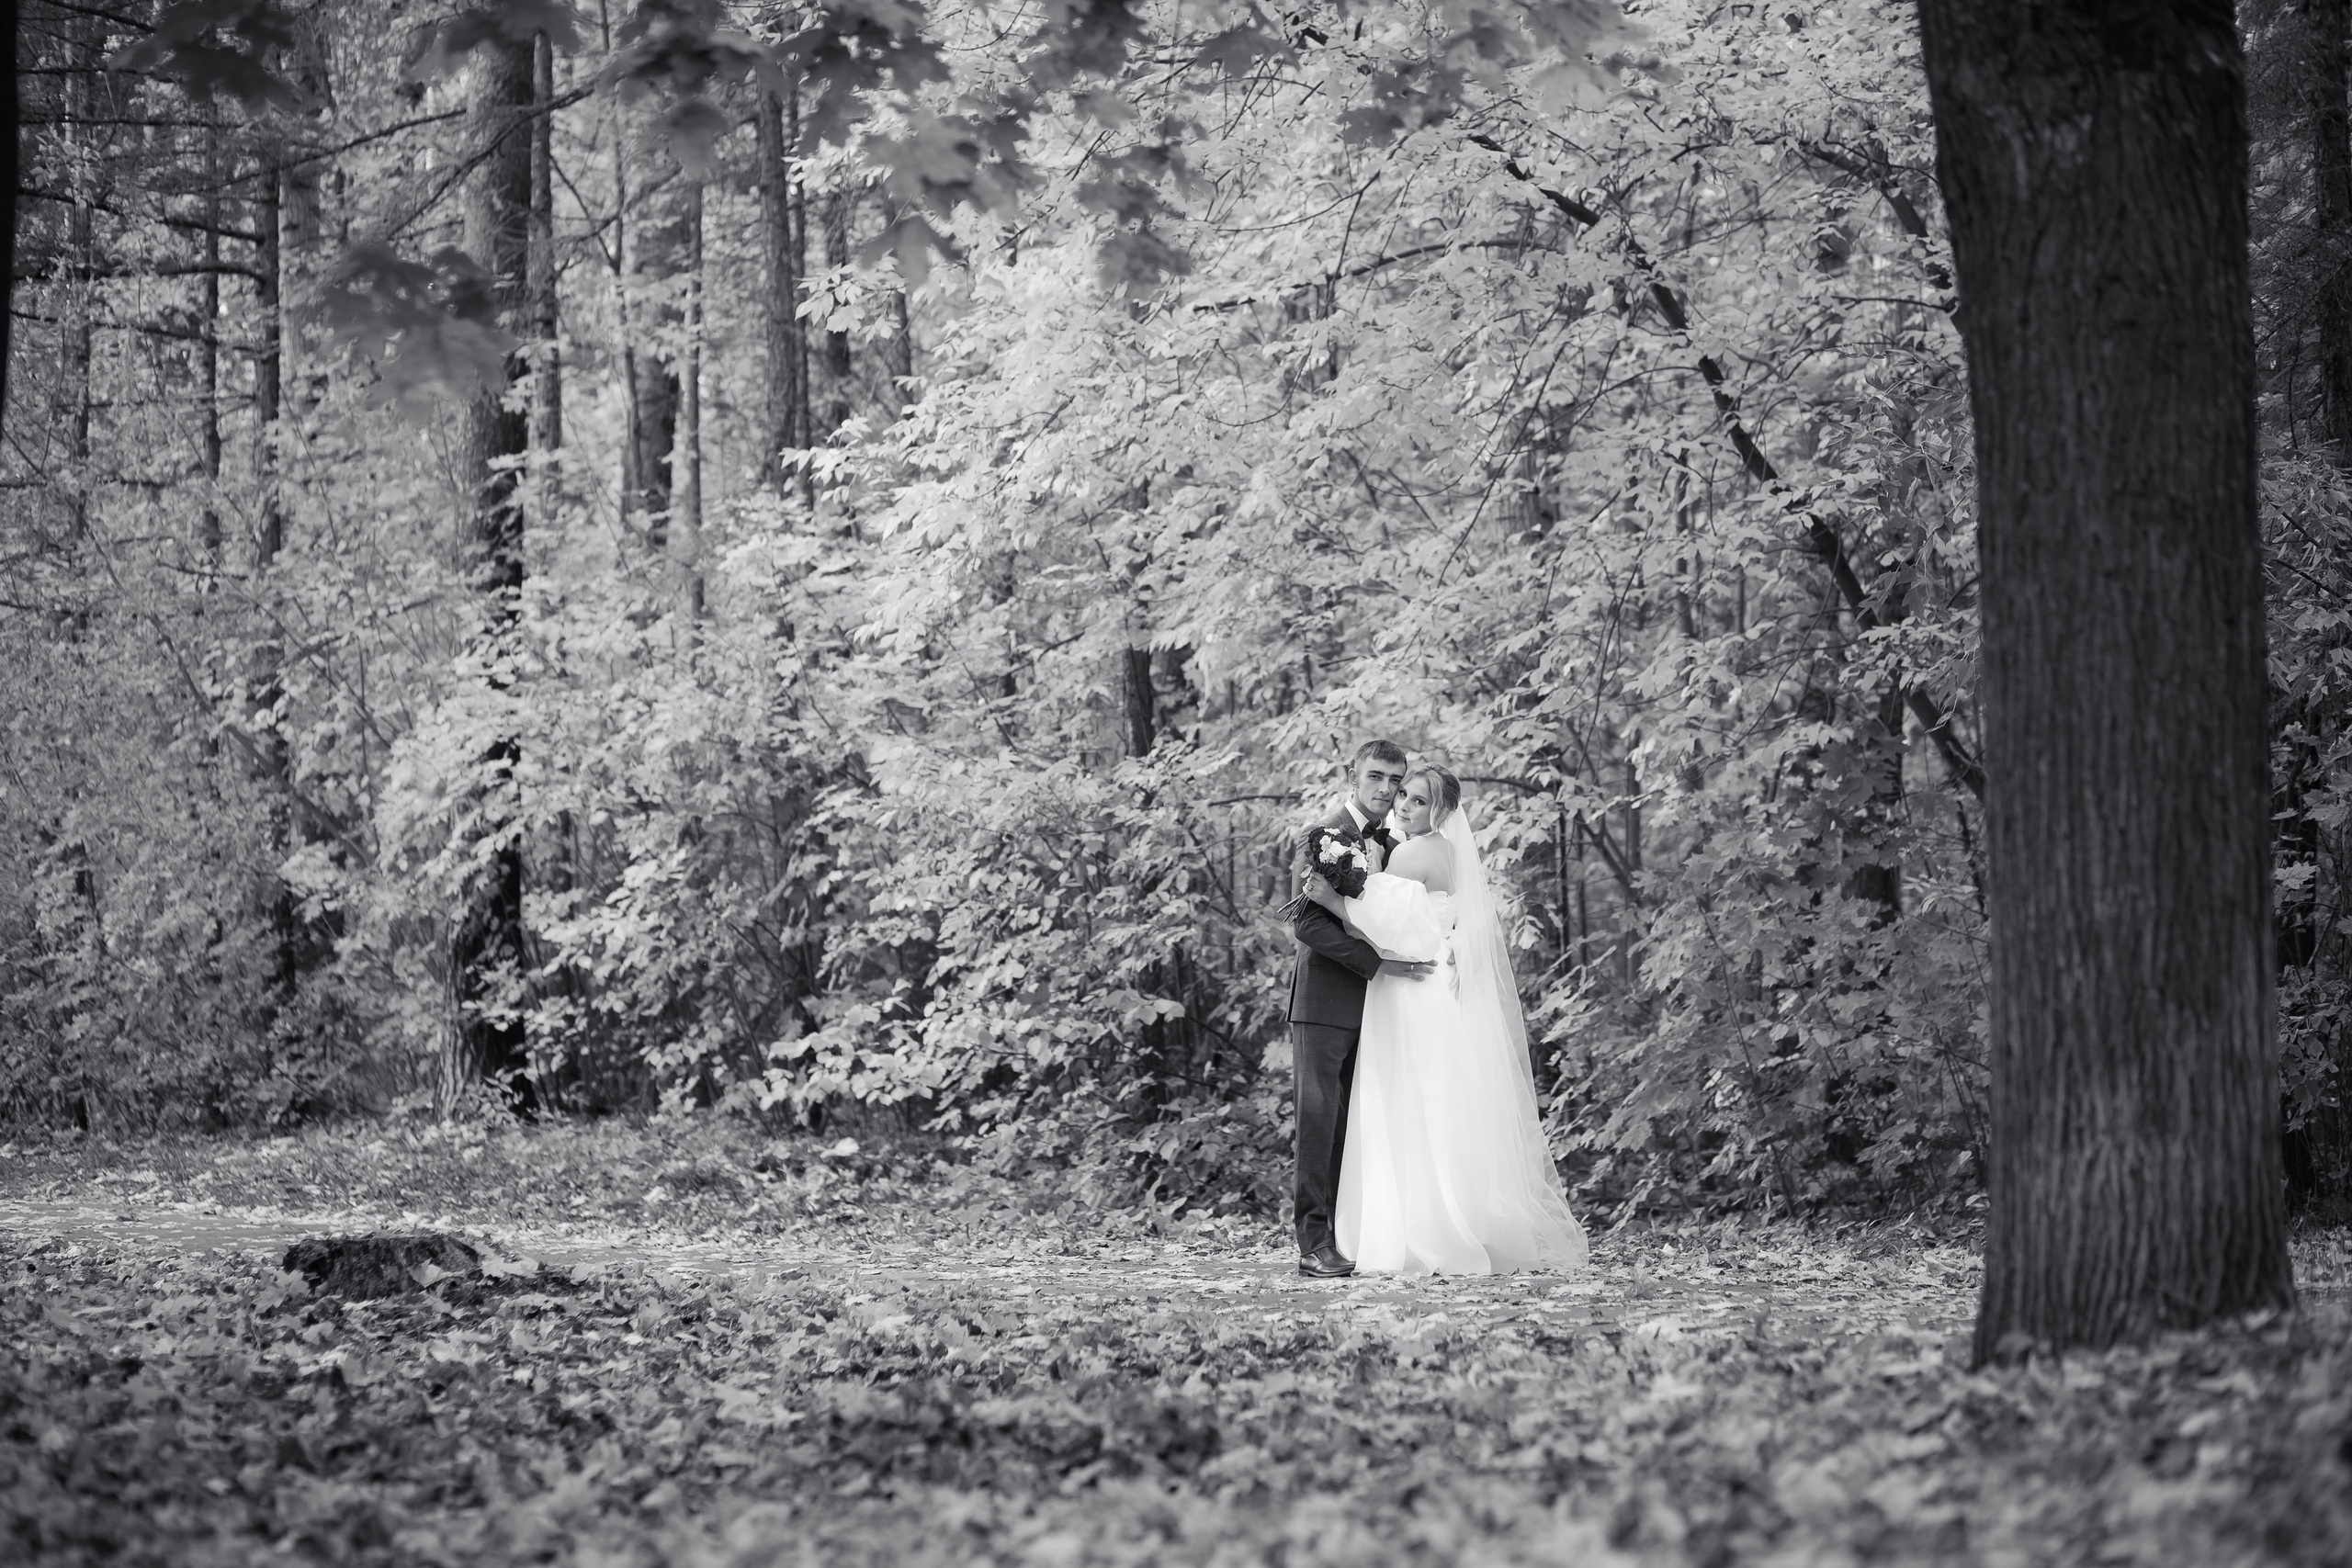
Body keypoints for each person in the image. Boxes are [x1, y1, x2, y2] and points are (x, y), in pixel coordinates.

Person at [1299, 764, 1588, 1276]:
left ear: (1443, 812)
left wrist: (1332, 901)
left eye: (1415, 800)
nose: (1401, 805)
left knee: (1400, 1105)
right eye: (1402, 796)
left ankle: (1406, 1232)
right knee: (1431, 1106)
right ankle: (1442, 1220)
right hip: (1431, 989)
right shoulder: (1450, 853)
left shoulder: (1410, 852)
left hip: (1406, 988)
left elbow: (1382, 922)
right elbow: (1439, 922)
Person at [1286, 739, 1434, 1279]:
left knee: (1357, 1125)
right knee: (1319, 1120)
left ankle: (1352, 1234)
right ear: (1353, 774)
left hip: (1381, 1011)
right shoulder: (1322, 836)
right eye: (1375, 776)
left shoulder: (1391, 844)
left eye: (1395, 782)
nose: (1384, 790)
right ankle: (1312, 1244)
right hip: (1325, 1002)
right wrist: (1379, 965)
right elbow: (1306, 922)